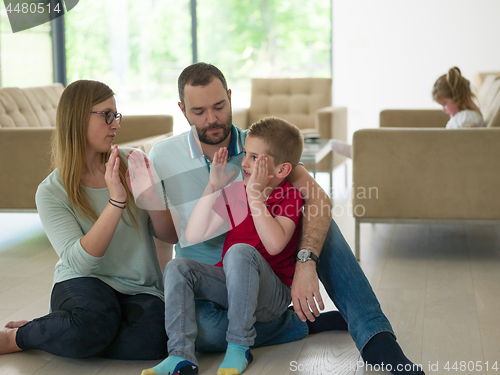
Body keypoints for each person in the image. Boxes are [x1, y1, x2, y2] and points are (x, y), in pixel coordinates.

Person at [147, 63, 424, 375]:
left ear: (230, 96)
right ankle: (296, 323)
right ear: (182, 109)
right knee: (208, 333)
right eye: (198, 111)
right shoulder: (161, 155)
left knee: (318, 218)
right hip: (213, 286)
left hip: (266, 273)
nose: (211, 119)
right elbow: (167, 235)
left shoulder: (261, 146)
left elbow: (317, 198)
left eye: (219, 106)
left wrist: (306, 263)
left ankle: (376, 339)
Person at [0, 80, 178, 360]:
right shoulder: (51, 191)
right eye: (107, 115)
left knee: (155, 341)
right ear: (77, 118)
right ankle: (18, 337)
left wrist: (151, 200)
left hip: (139, 287)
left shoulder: (135, 161)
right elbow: (81, 263)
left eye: (116, 115)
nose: (116, 124)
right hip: (83, 282)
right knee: (93, 321)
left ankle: (60, 327)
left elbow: (170, 236)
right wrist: (116, 201)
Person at [143, 118, 305, 375]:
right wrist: (213, 187)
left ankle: (239, 347)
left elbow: (274, 245)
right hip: (232, 287)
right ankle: (180, 355)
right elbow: (195, 234)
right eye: (246, 155)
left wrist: (254, 196)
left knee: (239, 251)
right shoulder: (237, 193)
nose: (244, 162)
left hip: (271, 295)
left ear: (282, 170)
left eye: (254, 158)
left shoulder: (289, 195)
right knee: (177, 267)